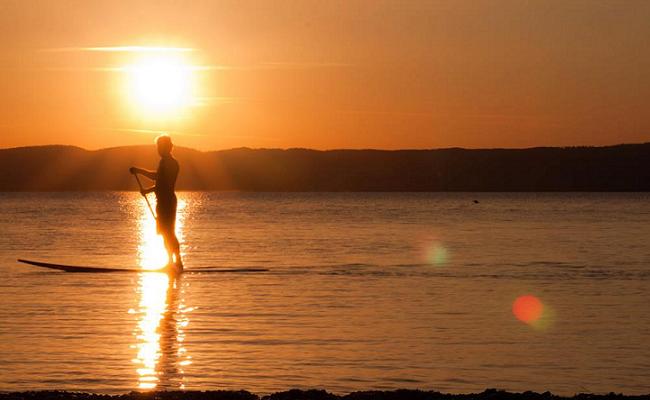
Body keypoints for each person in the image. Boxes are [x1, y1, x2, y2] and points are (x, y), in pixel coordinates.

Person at [130, 134, 183, 273]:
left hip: (167, 201)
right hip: (165, 201)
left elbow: (162, 184)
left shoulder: (168, 163)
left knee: (168, 232)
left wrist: (147, 191)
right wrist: (139, 171)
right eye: (157, 147)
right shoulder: (167, 162)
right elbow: (157, 177)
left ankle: (176, 262)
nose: (158, 149)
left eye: (160, 147)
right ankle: (173, 262)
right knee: (166, 233)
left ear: (167, 147)